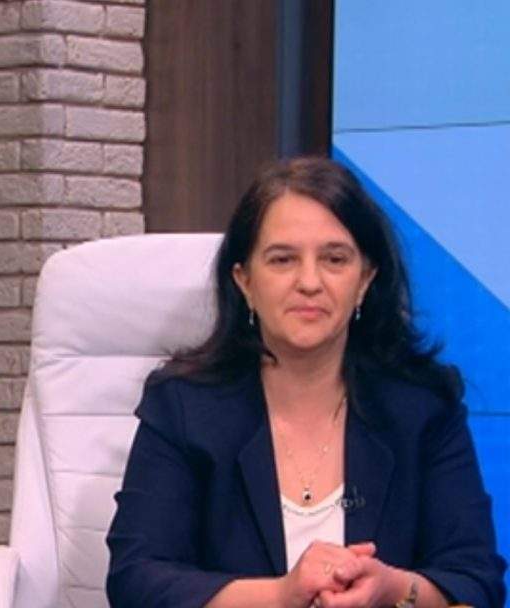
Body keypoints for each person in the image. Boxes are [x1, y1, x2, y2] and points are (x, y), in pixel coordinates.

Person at [106, 157, 506, 608]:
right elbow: (135, 580)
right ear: (245, 281)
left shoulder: (423, 407)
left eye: (335, 259)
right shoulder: (183, 405)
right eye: (283, 260)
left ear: (365, 279)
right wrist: (281, 596)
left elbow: (476, 582)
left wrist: (394, 589)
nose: (310, 282)